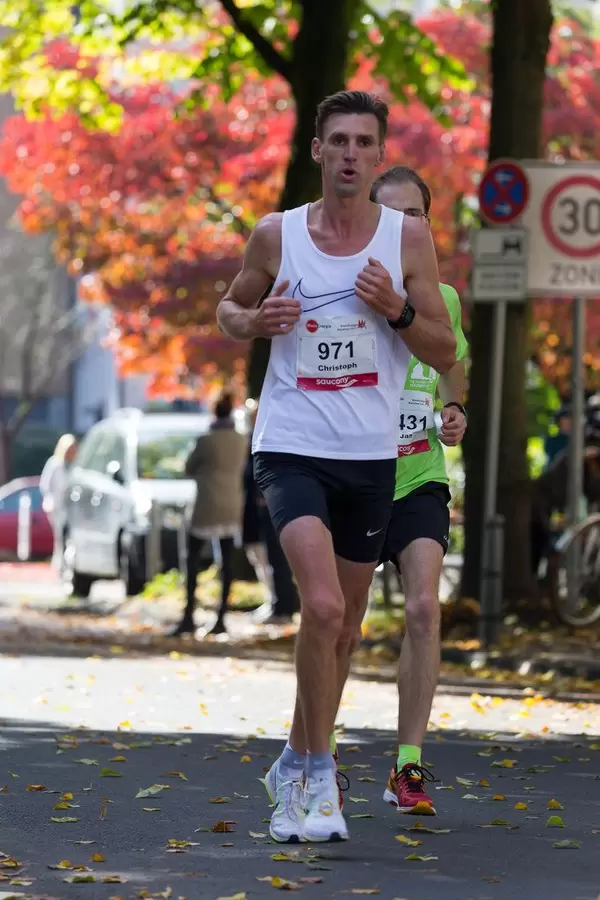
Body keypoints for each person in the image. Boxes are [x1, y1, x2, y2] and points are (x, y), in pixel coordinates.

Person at [216, 90, 457, 844]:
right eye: (339, 141)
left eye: (364, 142)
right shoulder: (276, 235)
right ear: (318, 150)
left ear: (379, 155)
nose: (351, 153)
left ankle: (293, 757)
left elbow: (445, 348)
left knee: (346, 627)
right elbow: (229, 309)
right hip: (291, 445)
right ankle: (317, 775)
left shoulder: (406, 241)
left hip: (370, 454)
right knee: (320, 607)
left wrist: (397, 310)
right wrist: (256, 322)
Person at [369, 166, 468, 816]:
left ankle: (408, 765)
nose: (406, 226)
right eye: (392, 215)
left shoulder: (445, 298)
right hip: (352, 475)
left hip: (419, 475)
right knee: (336, 621)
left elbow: (452, 366)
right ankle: (317, 756)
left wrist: (455, 410)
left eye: (416, 216)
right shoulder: (346, 289)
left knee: (426, 609)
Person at [170, 392, 247, 638]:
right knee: (227, 561)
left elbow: (189, 467)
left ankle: (188, 616)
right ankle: (221, 616)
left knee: (192, 560)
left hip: (206, 503)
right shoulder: (241, 440)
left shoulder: (206, 440)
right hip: (232, 504)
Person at [39, 433, 78, 570]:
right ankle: (60, 564)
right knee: (60, 536)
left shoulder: (75, 466)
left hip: (71, 508)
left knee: (70, 536)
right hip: (56, 506)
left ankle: (67, 564)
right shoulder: (54, 463)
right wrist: (50, 501)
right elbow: (45, 485)